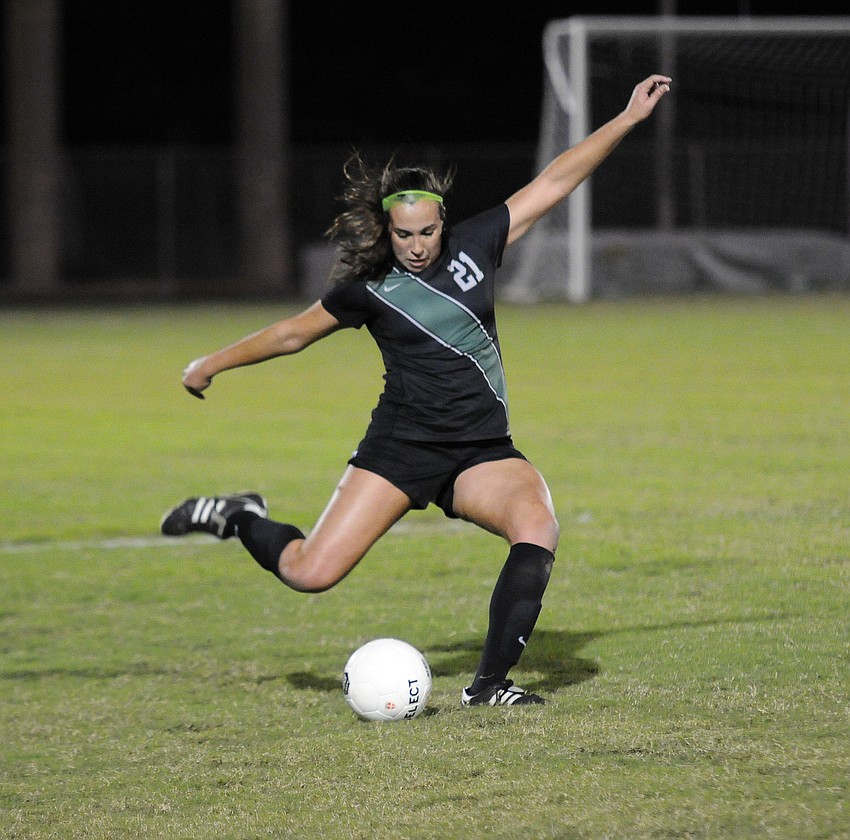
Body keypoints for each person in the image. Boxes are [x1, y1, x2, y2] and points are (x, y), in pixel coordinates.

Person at [160, 75, 672, 707]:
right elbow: (294, 334)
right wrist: (211, 362)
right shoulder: (367, 286)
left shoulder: (477, 246)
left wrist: (625, 119)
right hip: (401, 449)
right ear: (387, 229)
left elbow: (556, 182)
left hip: (480, 450)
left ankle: (487, 687)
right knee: (308, 573)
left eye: (427, 232)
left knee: (537, 525)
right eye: (404, 235)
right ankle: (240, 515)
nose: (417, 245)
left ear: (442, 223)